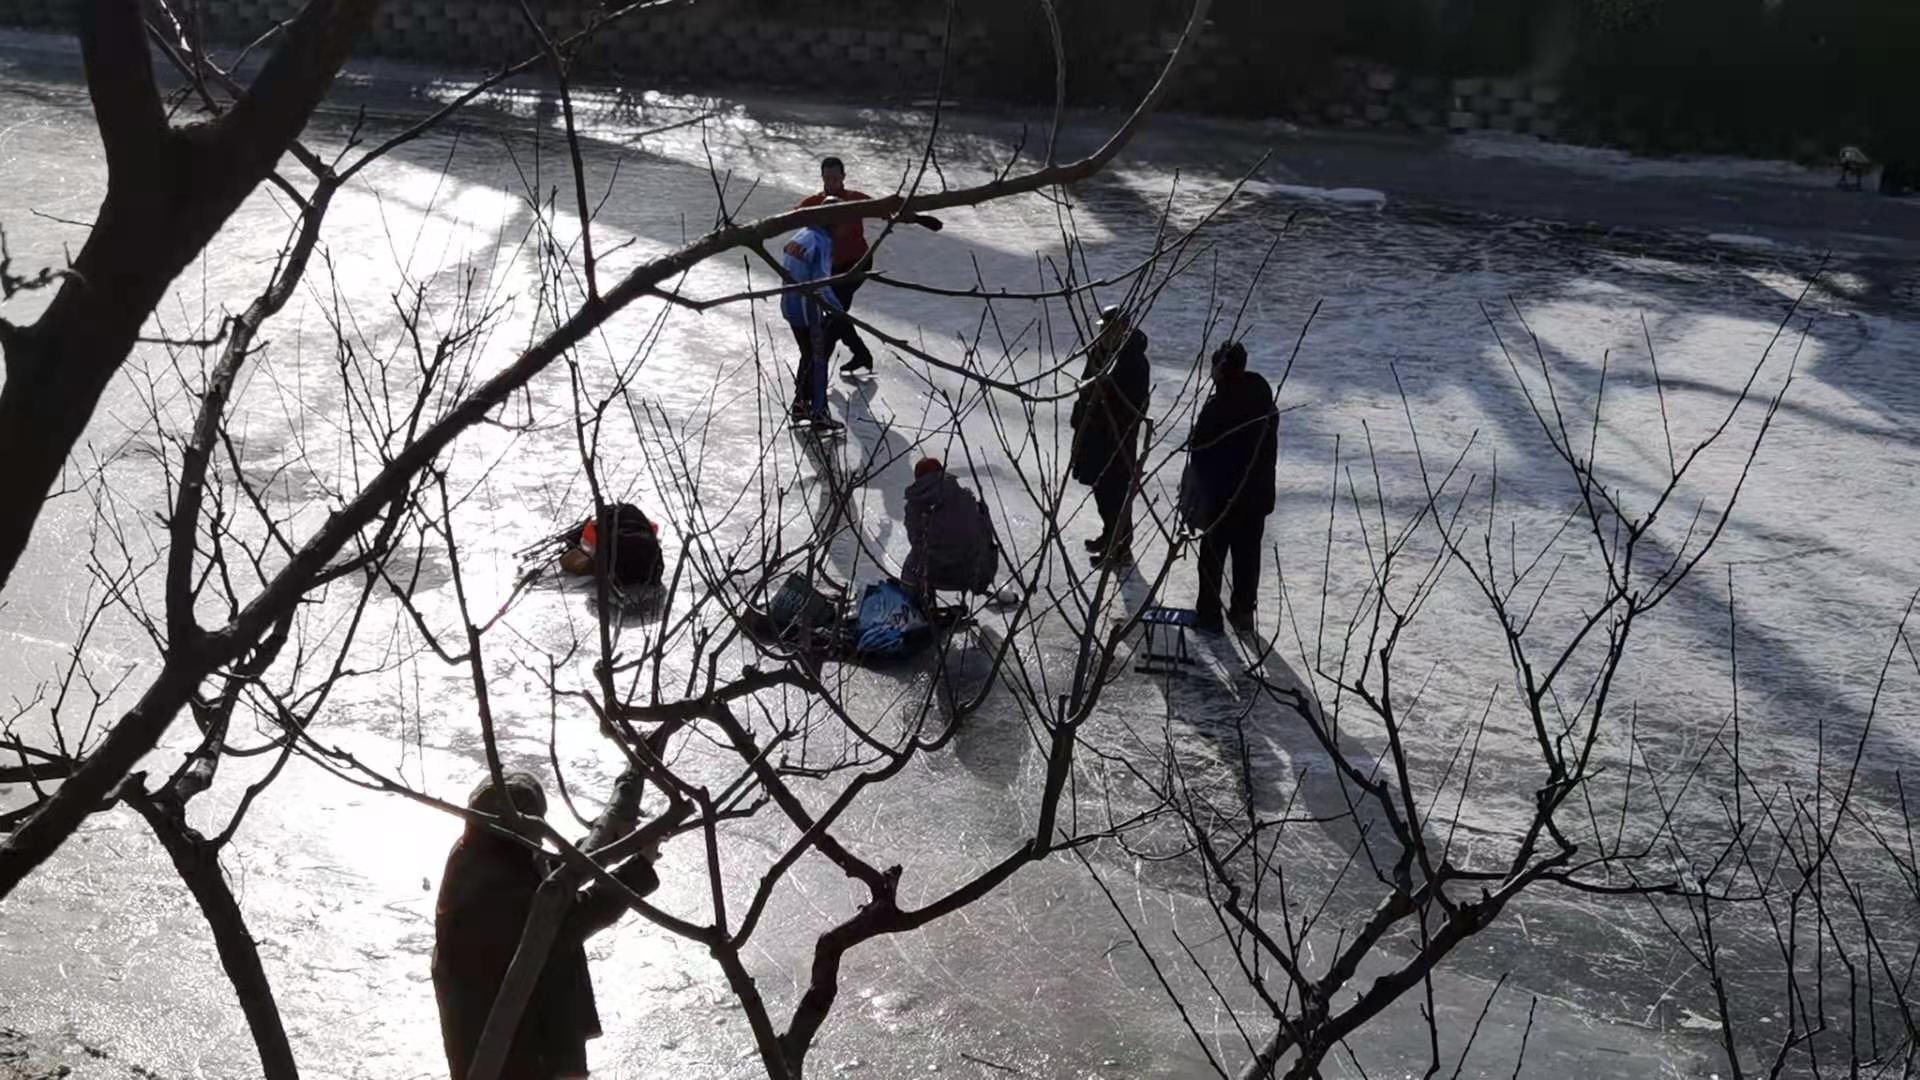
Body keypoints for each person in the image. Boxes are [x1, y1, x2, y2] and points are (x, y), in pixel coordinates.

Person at [432, 771, 661, 1080]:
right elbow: (568, 919)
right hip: (518, 1049)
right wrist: (641, 867)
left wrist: (607, 843)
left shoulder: (479, 852)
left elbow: (547, 875)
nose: (539, 836)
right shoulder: (494, 885)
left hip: (527, 1032)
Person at [796, 155, 944, 376]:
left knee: (834, 317)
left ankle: (818, 367)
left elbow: (887, 211)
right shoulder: (814, 203)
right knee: (837, 312)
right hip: (830, 270)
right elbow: (789, 219)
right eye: (827, 178)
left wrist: (918, 219)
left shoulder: (856, 200)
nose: (831, 183)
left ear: (843, 177)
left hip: (858, 264)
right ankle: (860, 354)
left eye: (835, 178)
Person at [1183, 341, 1279, 634]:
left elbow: (1200, 449)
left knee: (1212, 558)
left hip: (1222, 497)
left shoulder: (1219, 405)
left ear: (1221, 369)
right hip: (1256, 496)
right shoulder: (1264, 402)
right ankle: (1243, 613)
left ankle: (1209, 616)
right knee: (1247, 558)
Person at [1069, 305, 1151, 569]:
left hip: (1116, 438)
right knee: (1101, 490)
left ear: (1121, 330)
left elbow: (1135, 403)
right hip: (1093, 435)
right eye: (1102, 328)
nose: (1102, 333)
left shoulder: (1133, 361)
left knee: (1115, 492)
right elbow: (1085, 384)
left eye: (1108, 328)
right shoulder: (1100, 352)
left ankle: (1121, 547)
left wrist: (1106, 401)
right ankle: (1109, 534)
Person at [900, 456, 999, 603]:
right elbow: (984, 533)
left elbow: (915, 540)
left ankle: (917, 607)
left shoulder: (915, 506)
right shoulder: (967, 497)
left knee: (911, 564)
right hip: (970, 573)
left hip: (932, 574)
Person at [779, 210, 844, 431]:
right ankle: (819, 412)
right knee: (818, 358)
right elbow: (821, 283)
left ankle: (799, 404)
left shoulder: (800, 235)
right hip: (808, 309)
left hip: (789, 305)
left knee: (807, 354)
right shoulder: (821, 241)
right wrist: (838, 310)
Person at [556, 502, 664, 589]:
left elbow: (584, 555)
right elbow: (654, 529)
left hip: (617, 576)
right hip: (649, 573)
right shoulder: (638, 518)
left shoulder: (591, 528)